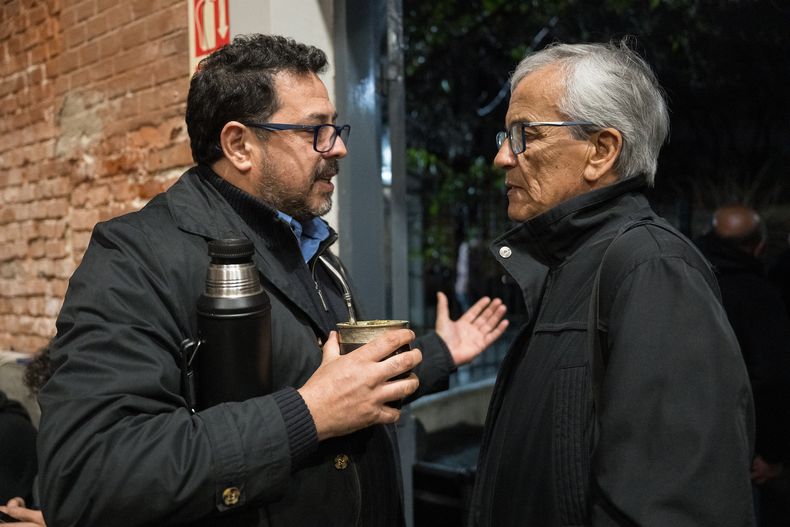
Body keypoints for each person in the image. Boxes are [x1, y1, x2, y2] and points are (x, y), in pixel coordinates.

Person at [36, 34, 508, 527]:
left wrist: (441, 353)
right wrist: (308, 414)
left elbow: (349, 388)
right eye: (316, 131)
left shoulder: (312, 250)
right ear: (240, 145)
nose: (339, 147)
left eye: (335, 127)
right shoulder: (135, 257)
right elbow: (88, 476)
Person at [467, 41, 755, 526]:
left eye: (525, 135)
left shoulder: (653, 268)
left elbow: (677, 504)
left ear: (601, 150)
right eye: (506, 134)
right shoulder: (573, 261)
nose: (502, 157)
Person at [696, 205, 790, 520]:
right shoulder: (759, 296)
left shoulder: (686, 279)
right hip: (739, 447)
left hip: (682, 436)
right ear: (759, 245)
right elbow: (773, 376)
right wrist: (773, 452)